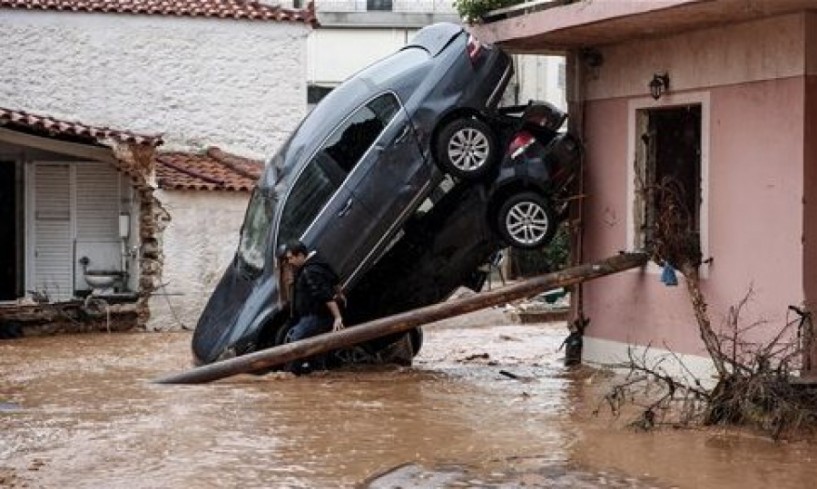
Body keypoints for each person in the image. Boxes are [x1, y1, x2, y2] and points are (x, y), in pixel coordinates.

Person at [279, 240, 344, 374]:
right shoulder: (319, 261)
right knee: (313, 349)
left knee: (294, 342)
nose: (290, 261)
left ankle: (291, 376)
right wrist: (340, 294)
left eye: (291, 258)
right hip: (316, 315)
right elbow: (335, 278)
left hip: (315, 316)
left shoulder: (309, 271)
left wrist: (338, 317)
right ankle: (316, 370)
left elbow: (324, 295)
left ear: (301, 255)